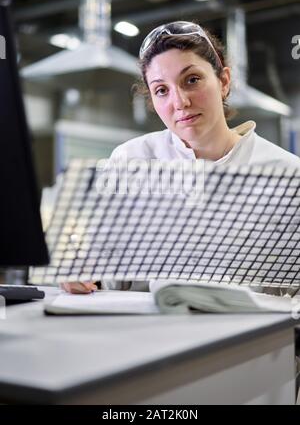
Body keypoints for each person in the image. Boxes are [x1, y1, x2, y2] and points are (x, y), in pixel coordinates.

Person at [61, 20, 300, 294]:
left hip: (252, 335)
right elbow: (106, 274)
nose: (180, 102)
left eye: (192, 80)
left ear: (223, 81)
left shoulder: (287, 173)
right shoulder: (132, 161)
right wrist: (83, 274)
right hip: (151, 333)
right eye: (162, 90)